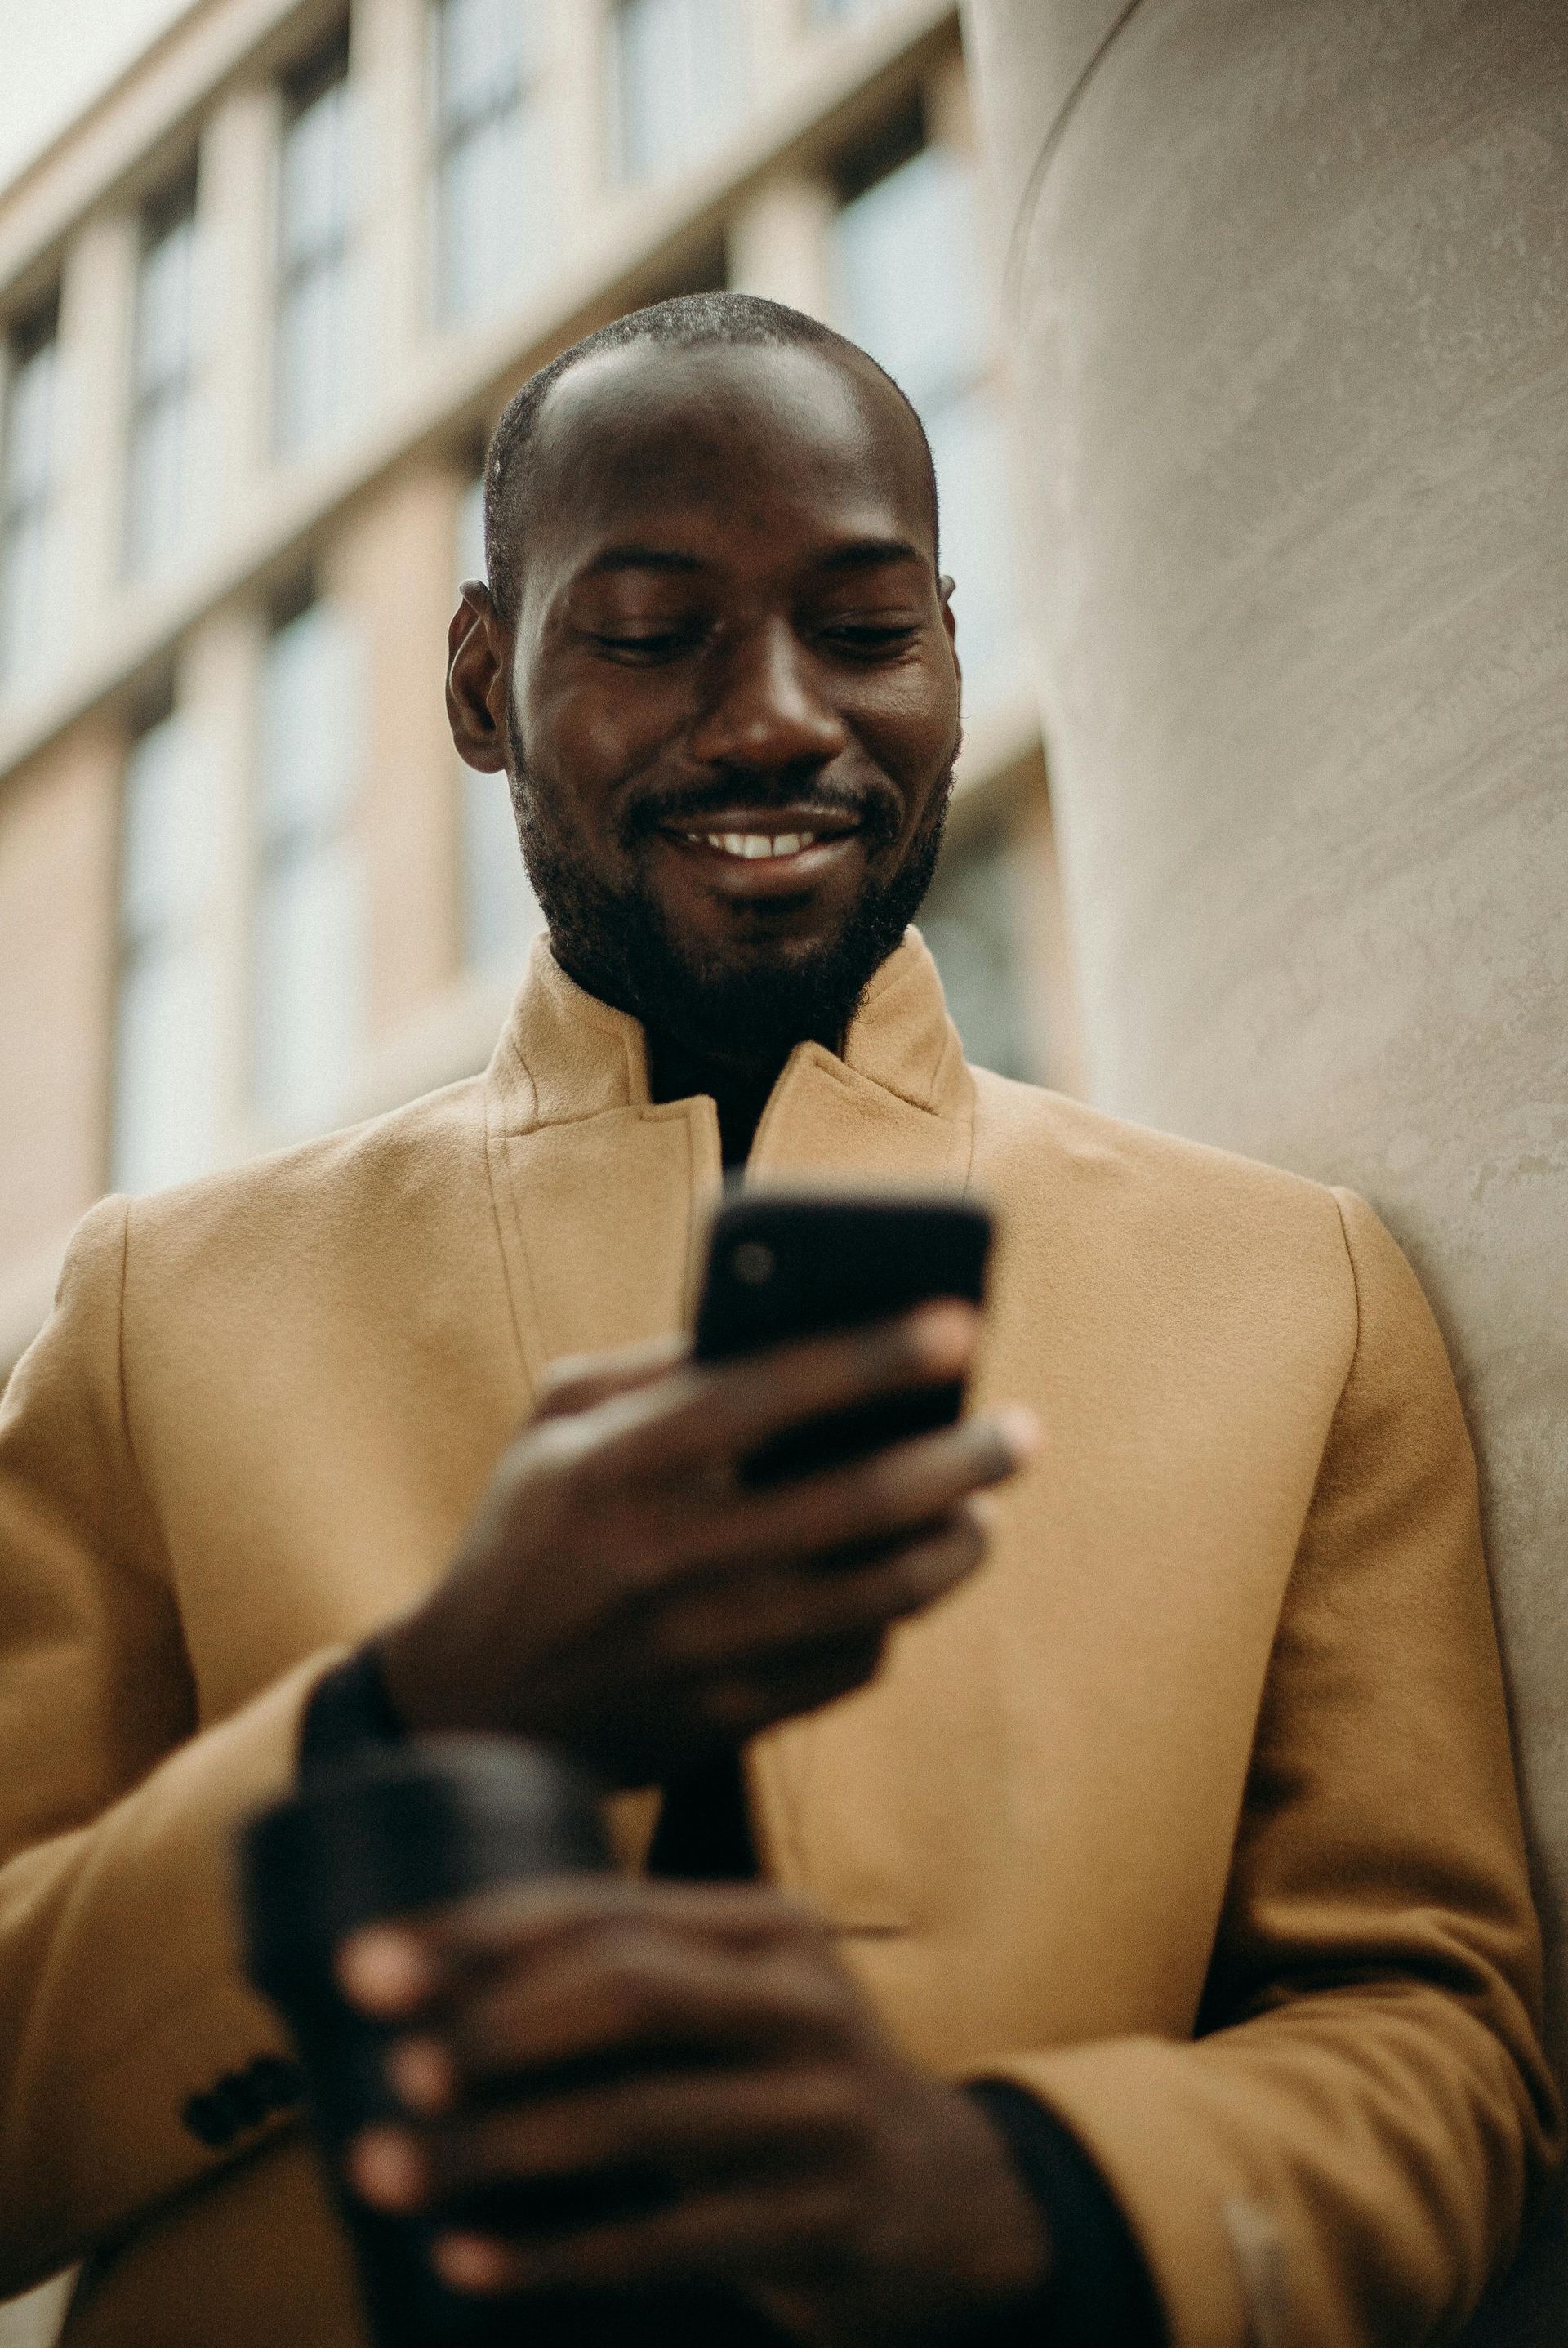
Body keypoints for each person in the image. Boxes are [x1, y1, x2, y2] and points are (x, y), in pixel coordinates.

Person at [0, 292, 1557, 2348]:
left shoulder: (1301, 1288)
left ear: (950, 660)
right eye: (651, 634)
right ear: (483, 682)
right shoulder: (152, 1305)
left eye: (866, 624)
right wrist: (425, 1716)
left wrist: (1011, 2194)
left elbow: (1440, 2032)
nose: (772, 717)